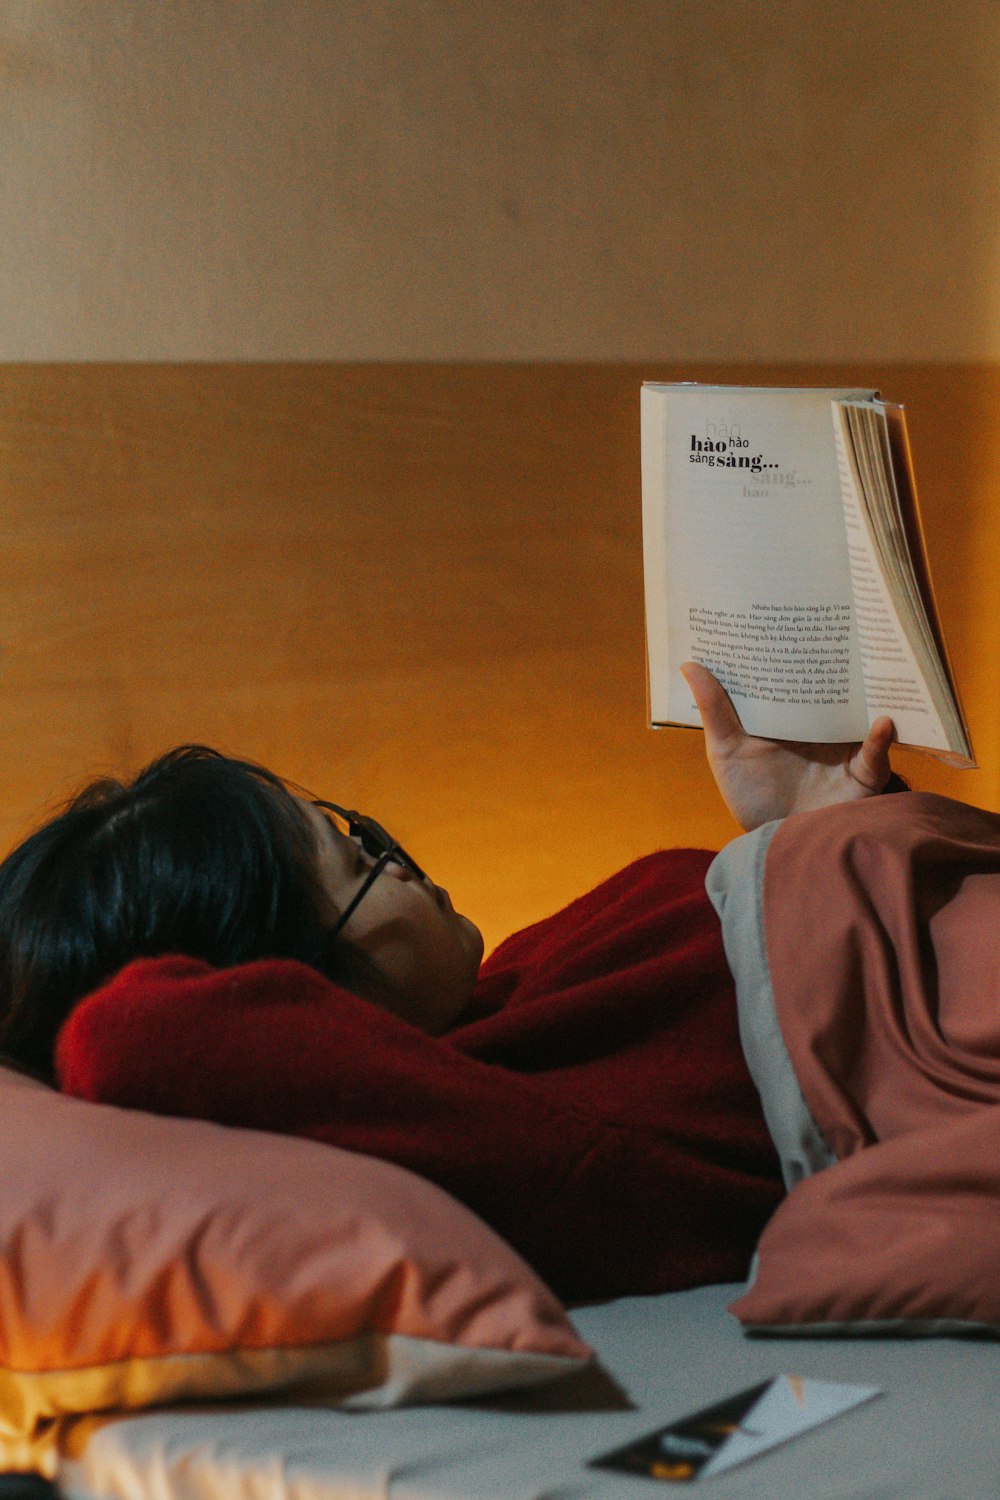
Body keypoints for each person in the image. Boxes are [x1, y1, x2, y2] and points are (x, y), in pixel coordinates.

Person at [0, 666, 899, 1303]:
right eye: (356, 860)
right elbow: (129, 1038)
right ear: (284, 997)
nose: (399, 861)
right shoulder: (504, 1131)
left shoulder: (515, 986)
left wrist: (813, 840)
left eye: (359, 829)